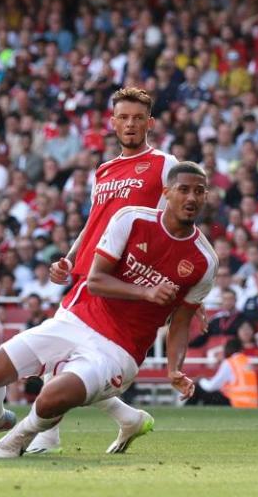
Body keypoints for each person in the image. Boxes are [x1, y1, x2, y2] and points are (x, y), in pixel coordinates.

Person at [0, 162, 217, 458]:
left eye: (199, 192)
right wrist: (146, 291)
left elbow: (181, 323)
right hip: (76, 319)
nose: (191, 198)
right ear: (167, 192)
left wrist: (174, 369)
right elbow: (95, 281)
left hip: (119, 350)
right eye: (183, 190)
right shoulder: (132, 219)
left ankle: (19, 437)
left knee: (51, 397)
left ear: (206, 197)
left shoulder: (204, 261)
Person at [33, 87, 179, 455]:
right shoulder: (104, 170)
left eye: (137, 118)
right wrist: (68, 257)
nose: (130, 124)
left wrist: (185, 282)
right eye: (123, 118)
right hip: (88, 270)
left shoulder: (165, 164)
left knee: (67, 352)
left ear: (150, 122)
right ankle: (125, 418)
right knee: (68, 355)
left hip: (122, 276)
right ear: (112, 123)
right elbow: (92, 223)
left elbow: (176, 221)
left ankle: (47, 436)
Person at [188, 338, 258, 407]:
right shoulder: (247, 361)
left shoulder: (230, 362)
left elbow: (212, 386)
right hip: (252, 404)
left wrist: (201, 380)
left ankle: (185, 413)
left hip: (236, 402)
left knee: (197, 388)